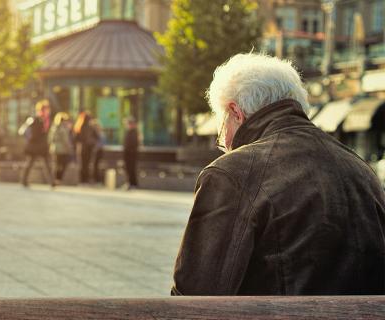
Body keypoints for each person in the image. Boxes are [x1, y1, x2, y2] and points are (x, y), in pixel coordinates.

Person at [172, 53, 385, 296]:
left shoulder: (232, 173)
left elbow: (195, 295)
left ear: (235, 113)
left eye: (221, 130)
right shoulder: (360, 169)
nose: (224, 143)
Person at [19, 99, 54, 188]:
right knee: (30, 163)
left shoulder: (46, 120)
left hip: (42, 146)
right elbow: (26, 132)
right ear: (42, 110)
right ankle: (24, 180)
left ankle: (52, 182)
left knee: (47, 164)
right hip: (34, 146)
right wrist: (32, 139)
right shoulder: (34, 119)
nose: (48, 111)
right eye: (46, 109)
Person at [48, 112, 75, 185]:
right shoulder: (63, 128)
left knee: (57, 164)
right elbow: (66, 140)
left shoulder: (53, 127)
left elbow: (50, 139)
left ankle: (55, 179)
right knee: (63, 164)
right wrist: (70, 148)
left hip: (54, 149)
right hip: (63, 150)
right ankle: (57, 179)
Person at [73, 111, 95, 184]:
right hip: (86, 148)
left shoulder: (79, 126)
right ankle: (84, 179)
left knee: (83, 164)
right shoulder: (88, 127)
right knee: (85, 164)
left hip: (82, 148)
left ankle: (83, 179)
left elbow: (76, 139)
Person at [123, 117, 139, 189]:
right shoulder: (129, 132)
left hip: (131, 154)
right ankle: (130, 183)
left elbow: (133, 144)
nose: (127, 125)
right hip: (128, 153)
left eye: (129, 124)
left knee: (131, 168)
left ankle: (132, 183)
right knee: (128, 169)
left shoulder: (134, 132)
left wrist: (129, 150)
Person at [91, 118, 105, 184]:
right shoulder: (99, 133)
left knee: (97, 165)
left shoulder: (99, 133)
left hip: (98, 151)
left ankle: (97, 179)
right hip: (99, 151)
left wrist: (95, 148)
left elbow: (101, 143)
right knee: (96, 165)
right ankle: (96, 179)